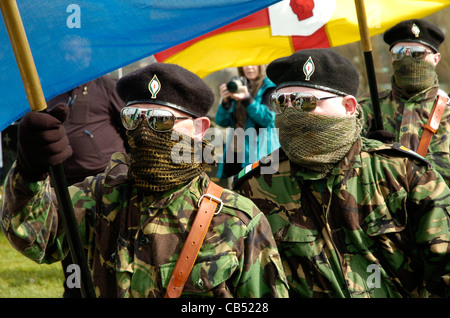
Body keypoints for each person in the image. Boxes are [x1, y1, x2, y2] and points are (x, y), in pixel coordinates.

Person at [0, 63, 288, 298]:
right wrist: (29, 170)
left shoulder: (237, 218)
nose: (143, 131)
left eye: (160, 121)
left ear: (200, 129)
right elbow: (35, 237)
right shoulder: (99, 197)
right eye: (133, 119)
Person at [234, 48, 450, 298]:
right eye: (282, 102)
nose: (291, 112)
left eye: (305, 101)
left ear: (348, 106)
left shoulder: (405, 173)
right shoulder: (255, 185)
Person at [47, 75, 127, 297]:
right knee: (71, 246)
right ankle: (73, 291)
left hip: (104, 185)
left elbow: (128, 128)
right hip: (64, 185)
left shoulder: (107, 86)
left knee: (105, 244)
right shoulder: (51, 89)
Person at [359, 19, 450, 186]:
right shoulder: (365, 109)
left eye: (417, 53)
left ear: (436, 59)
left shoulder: (448, 114)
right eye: (399, 53)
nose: (407, 60)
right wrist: (366, 149)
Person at [215, 65, 280, 181]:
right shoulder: (237, 86)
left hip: (261, 150)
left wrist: (247, 99)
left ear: (261, 66)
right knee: (236, 190)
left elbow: (267, 118)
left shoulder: (270, 88)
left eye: (254, 65)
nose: (249, 68)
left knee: (258, 188)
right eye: (246, 65)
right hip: (237, 149)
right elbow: (221, 121)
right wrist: (225, 101)